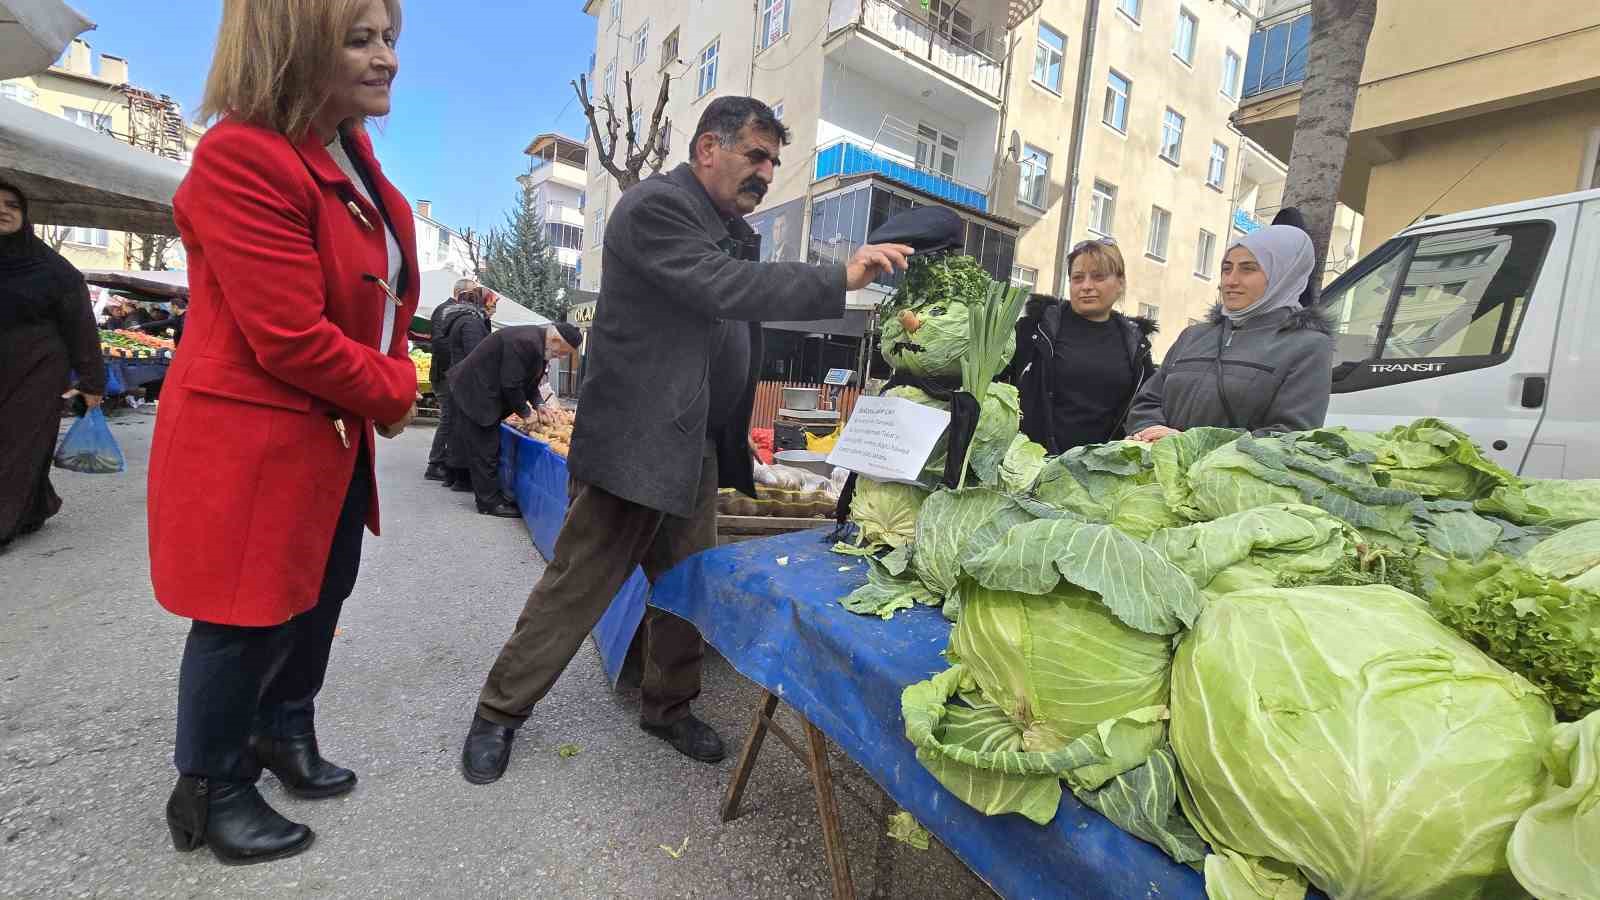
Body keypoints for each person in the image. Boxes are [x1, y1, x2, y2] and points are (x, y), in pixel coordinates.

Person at [459, 96, 912, 783]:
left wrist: (734, 431)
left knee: (687, 587)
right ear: (707, 149)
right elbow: (724, 289)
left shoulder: (725, 229)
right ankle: (498, 712)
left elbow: (725, 329)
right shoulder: (656, 208)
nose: (766, 173)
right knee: (580, 584)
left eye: (773, 162)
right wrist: (837, 277)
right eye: (755, 156)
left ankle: (668, 708)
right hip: (636, 445)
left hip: (693, 448)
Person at [146, 0, 418, 866]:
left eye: (389, 38)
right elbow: (289, 335)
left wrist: (381, 376)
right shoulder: (243, 155)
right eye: (359, 40)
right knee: (244, 614)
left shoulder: (347, 149)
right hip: (254, 434)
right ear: (293, 47)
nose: (386, 58)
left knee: (321, 589)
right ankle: (209, 788)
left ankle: (282, 728)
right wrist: (395, 387)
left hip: (326, 430)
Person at [1126, 224, 1332, 441]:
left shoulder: (1307, 346)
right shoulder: (1192, 336)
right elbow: (1146, 402)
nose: (1231, 281)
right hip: (1160, 461)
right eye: (1226, 269)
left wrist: (1188, 443)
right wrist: (1150, 432)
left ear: (1284, 274)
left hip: (1224, 466)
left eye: (1248, 269)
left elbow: (1289, 436)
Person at [0, 180, 106, 549]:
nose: (3, 210)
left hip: (37, 369)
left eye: (12, 205)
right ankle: (36, 506)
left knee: (19, 444)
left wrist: (92, 382)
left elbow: (81, 328)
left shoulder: (53, 269)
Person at [1006, 239, 1157, 454]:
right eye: (1077, 278)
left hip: (1102, 467)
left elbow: (1147, 408)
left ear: (1120, 283)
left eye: (1098, 277)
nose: (1086, 286)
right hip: (1033, 463)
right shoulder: (1035, 329)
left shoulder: (1136, 344)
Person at [447, 323, 582, 516]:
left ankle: (468, 483)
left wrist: (539, 405)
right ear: (555, 340)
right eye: (563, 352)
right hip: (476, 390)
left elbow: (530, 383)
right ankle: (489, 503)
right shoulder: (525, 342)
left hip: (483, 389)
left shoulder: (539, 344)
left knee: (482, 444)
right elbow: (511, 384)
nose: (561, 357)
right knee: (485, 447)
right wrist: (526, 413)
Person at [435, 285, 498, 489]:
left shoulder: (463, 319)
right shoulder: (471, 322)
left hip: (458, 378)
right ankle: (461, 477)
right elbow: (476, 354)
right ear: (483, 302)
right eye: (492, 305)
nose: (494, 310)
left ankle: (452, 474)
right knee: (462, 429)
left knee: (455, 426)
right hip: (466, 381)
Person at [422, 277, 478, 481]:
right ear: (459, 293)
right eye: (472, 293)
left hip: (449, 373)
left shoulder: (458, 311)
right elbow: (440, 344)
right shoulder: (445, 310)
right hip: (445, 373)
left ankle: (444, 460)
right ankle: (435, 463)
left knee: (451, 418)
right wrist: (456, 368)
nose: (475, 297)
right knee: (449, 418)